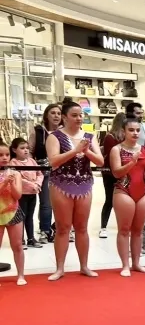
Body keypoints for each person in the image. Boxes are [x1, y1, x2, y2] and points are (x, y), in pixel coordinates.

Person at [46, 101, 104, 281]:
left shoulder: (89, 136)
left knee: (82, 227)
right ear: (64, 117)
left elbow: (100, 161)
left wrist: (86, 152)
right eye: (74, 115)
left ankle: (84, 265)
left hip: (84, 184)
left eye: (81, 115)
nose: (79, 118)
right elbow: (53, 161)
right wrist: (76, 150)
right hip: (61, 184)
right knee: (63, 227)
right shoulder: (54, 137)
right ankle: (60, 268)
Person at [110, 117, 145, 277]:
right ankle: (125, 265)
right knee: (124, 230)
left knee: (138, 230)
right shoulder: (117, 149)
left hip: (143, 191)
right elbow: (116, 173)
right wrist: (132, 162)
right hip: (123, 190)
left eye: (138, 130)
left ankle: (136, 263)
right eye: (131, 130)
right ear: (123, 131)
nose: (135, 133)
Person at [28, 103, 61, 243]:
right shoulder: (38, 131)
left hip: (61, 171)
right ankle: (45, 230)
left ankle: (60, 228)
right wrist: (32, 169)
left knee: (62, 203)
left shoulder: (64, 132)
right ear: (46, 115)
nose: (56, 116)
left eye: (59, 113)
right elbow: (30, 151)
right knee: (46, 203)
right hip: (43, 170)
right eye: (53, 113)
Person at [9, 137, 44, 249]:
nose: (26, 150)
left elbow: (40, 174)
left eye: (27, 148)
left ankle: (31, 238)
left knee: (30, 216)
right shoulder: (13, 163)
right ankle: (20, 239)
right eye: (22, 148)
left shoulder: (32, 161)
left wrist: (37, 184)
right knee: (21, 217)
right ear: (14, 150)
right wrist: (32, 185)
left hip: (33, 194)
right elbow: (18, 177)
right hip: (21, 194)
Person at [0, 143, 27, 285]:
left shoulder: (15, 173)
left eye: (7, 155)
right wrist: (4, 183)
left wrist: (11, 184)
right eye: (0, 155)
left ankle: (21, 275)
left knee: (17, 245)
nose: (4, 158)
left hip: (14, 212)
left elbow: (18, 196)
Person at [99, 112, 126, 239]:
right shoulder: (110, 137)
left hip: (122, 171)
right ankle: (103, 227)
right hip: (110, 172)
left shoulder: (124, 137)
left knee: (123, 201)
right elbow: (111, 155)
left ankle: (123, 225)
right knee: (109, 199)